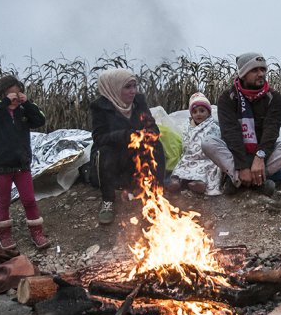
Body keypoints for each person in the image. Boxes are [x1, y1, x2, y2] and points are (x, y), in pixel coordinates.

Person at [202, 52, 281, 195]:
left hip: (264, 153)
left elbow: (271, 130)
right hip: (236, 153)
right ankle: (252, 180)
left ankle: (240, 181)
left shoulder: (274, 98)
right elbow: (230, 133)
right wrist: (243, 166)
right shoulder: (228, 98)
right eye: (255, 70)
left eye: (263, 70)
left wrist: (260, 157)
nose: (261, 74)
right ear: (243, 74)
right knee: (207, 142)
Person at [0, 75, 49, 250]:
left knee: (29, 200)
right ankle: (5, 236)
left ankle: (37, 234)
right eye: (12, 94)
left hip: (22, 164)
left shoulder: (23, 111)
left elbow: (40, 120)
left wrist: (27, 103)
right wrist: (4, 103)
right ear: (3, 94)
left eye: (18, 93)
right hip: (2, 165)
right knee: (3, 201)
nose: (15, 97)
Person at [90, 68, 165, 225]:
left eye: (134, 86)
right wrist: (125, 135)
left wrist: (146, 134)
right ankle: (108, 201)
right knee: (105, 152)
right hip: (115, 153)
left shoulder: (138, 102)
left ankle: (155, 194)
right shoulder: (101, 107)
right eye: (127, 87)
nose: (132, 91)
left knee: (156, 146)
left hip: (135, 152)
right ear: (114, 88)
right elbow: (99, 138)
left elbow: (153, 127)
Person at [168, 92, 222, 195]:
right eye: (195, 112)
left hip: (206, 157)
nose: (198, 114)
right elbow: (185, 140)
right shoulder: (188, 126)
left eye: (202, 111)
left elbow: (218, 140)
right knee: (182, 165)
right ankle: (177, 181)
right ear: (191, 114)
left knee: (208, 168)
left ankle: (200, 183)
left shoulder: (213, 126)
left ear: (208, 112)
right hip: (191, 156)